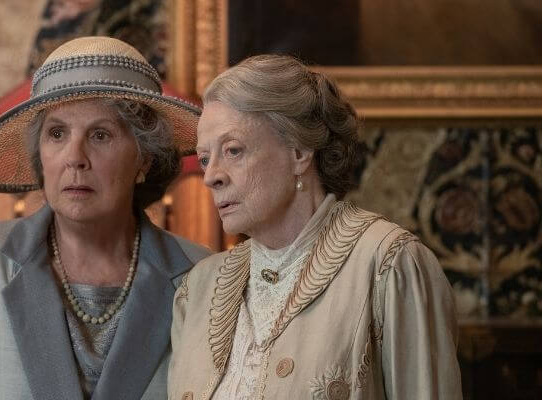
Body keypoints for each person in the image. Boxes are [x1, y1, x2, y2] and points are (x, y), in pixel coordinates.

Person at [0, 36, 210, 400]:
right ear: (40, 154)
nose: (75, 157)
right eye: (57, 133)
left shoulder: (202, 277)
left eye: (100, 135)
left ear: (144, 158)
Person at [168, 54, 462, 399]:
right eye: (205, 159)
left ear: (299, 152)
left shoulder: (389, 264)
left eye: (233, 151)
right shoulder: (198, 288)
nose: (211, 176)